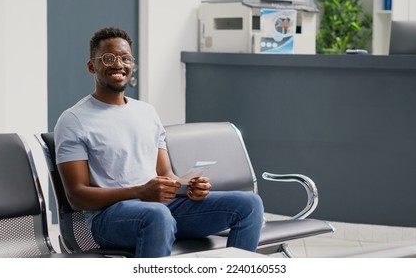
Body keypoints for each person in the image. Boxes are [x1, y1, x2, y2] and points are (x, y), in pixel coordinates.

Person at [54, 26, 264, 258]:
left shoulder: (147, 112)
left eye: (125, 58)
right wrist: (141, 191)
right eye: (108, 58)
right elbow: (76, 196)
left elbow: (166, 174)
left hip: (160, 208)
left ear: (132, 65)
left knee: (249, 204)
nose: (118, 64)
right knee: (157, 215)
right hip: (110, 217)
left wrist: (187, 187)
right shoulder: (74, 120)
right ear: (92, 66)